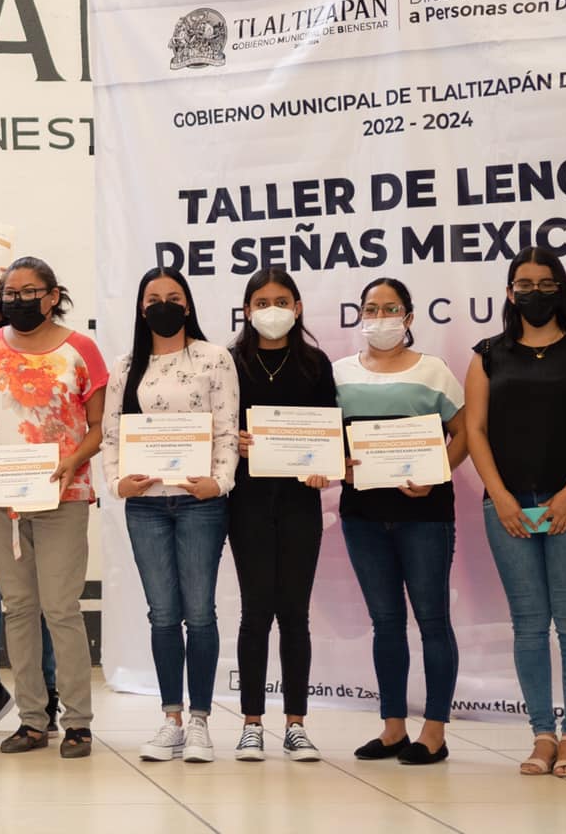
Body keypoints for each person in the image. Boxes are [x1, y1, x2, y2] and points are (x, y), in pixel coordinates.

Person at [0, 255, 108, 758]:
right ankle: (33, 720)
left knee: (61, 609)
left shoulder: (80, 349)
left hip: (63, 493)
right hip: (0, 498)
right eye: (10, 292)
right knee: (18, 608)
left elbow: (100, 426)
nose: (17, 300)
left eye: (28, 291)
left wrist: (71, 461)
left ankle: (77, 721)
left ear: (53, 295)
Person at [463, 248, 566, 778]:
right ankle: (542, 735)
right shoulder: (487, 354)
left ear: (562, 289)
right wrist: (500, 497)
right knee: (528, 626)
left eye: (546, 284)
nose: (535, 293)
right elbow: (475, 431)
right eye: (524, 284)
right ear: (509, 292)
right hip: (507, 507)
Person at [103, 268, 238, 763]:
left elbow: (226, 431)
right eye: (154, 298)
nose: (163, 304)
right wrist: (116, 482)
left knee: (199, 612)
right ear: (142, 308)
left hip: (199, 501)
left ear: (188, 304)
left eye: (173, 297)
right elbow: (113, 434)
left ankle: (200, 720)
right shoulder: (125, 366)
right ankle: (170, 719)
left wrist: (218, 483)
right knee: (162, 614)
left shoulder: (213, 357)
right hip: (146, 505)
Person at [336, 278, 469, 766]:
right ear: (360, 316)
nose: (381, 317)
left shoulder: (434, 372)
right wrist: (337, 463)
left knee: (433, 620)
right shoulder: (339, 374)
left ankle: (434, 731)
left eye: (391, 308)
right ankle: (393, 727)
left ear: (410, 318)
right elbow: (329, 438)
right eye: (372, 308)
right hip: (364, 515)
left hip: (425, 513)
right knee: (385, 623)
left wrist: (438, 474)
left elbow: (463, 433)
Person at [227, 268, 335, 763]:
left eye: (282, 300)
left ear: (297, 307)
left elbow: (329, 432)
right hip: (246, 499)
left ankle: (296, 723)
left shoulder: (315, 363)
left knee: (294, 613)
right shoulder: (228, 364)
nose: (272, 309)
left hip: (299, 501)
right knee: (255, 613)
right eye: (262, 301)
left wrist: (322, 468)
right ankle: (251, 722)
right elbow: (213, 431)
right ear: (247, 310)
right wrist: (235, 443)